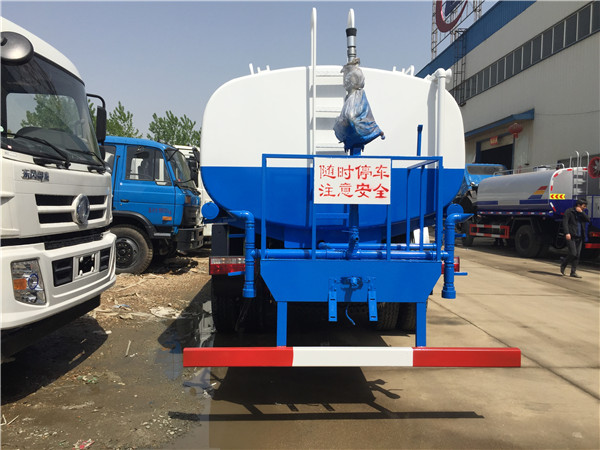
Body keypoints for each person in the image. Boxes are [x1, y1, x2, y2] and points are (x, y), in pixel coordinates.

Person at [560, 199, 590, 278]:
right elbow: (565, 223)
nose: (585, 207)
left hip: (579, 236)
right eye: (584, 206)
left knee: (577, 255)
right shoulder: (569, 212)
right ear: (579, 205)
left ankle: (573, 272)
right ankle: (564, 263)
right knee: (573, 253)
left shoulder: (582, 213)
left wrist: (581, 212)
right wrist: (567, 233)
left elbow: (588, 219)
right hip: (571, 236)